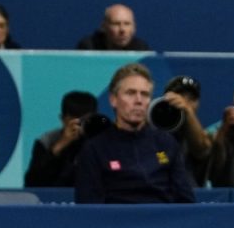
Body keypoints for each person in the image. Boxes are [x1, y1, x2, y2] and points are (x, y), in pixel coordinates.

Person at [74, 63, 196, 204]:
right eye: (130, 93)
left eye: (145, 94)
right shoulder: (95, 149)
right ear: (113, 99)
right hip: (116, 217)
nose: (139, 100)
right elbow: (88, 207)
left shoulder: (166, 144)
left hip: (161, 216)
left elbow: (186, 202)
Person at [24, 90, 98, 187]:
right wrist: (59, 146)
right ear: (62, 119)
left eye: (86, 119)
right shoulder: (46, 141)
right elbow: (32, 183)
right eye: (76, 119)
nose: (80, 125)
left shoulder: (102, 142)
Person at [76, 4, 151, 51]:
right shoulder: (89, 48)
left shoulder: (141, 49)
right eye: (116, 24)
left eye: (127, 24)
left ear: (134, 27)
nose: (122, 30)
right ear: (103, 27)